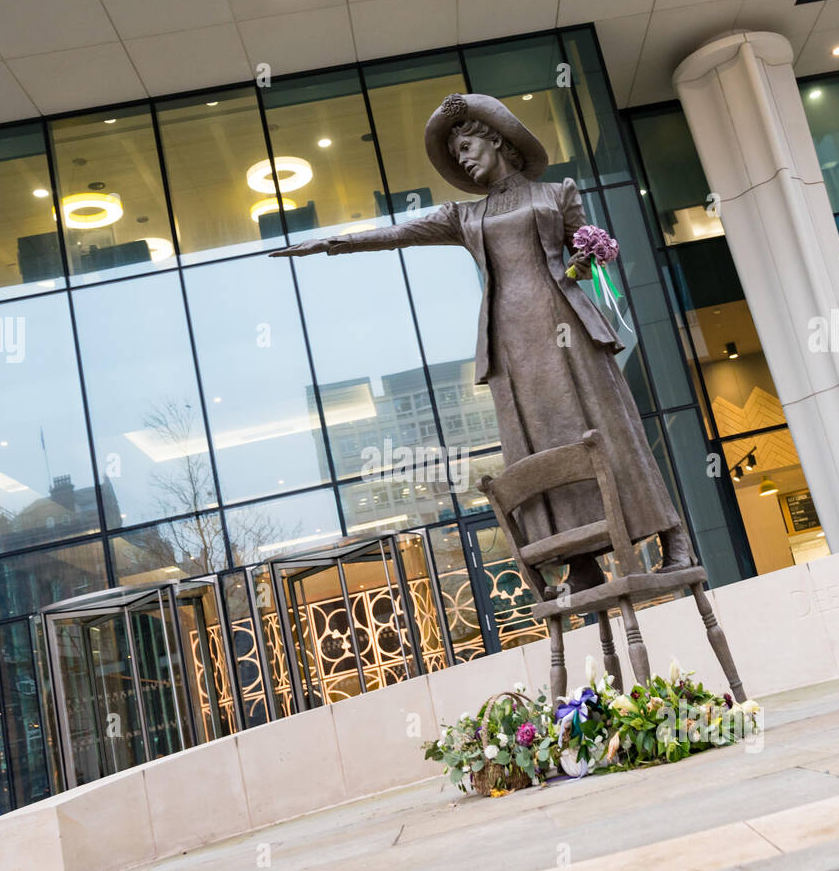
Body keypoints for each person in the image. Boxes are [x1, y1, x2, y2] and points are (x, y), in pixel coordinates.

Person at [272, 92, 692, 588]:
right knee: (535, 446)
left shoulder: (558, 193)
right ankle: (580, 561)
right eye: (457, 156)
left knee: (608, 425)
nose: (464, 160)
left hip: (568, 330)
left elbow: (582, 262)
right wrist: (334, 243)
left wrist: (585, 259)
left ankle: (674, 538)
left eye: (468, 146)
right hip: (511, 343)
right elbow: (398, 232)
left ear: (497, 140)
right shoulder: (463, 217)